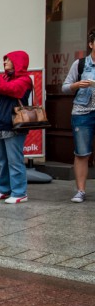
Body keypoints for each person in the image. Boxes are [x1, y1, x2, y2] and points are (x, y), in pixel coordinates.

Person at [0, 50, 32, 204]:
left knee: (15, 161)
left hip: (14, 125)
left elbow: (8, 89)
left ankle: (20, 192)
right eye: (5, 60)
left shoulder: (24, 80)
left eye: (8, 60)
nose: (5, 62)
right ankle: (4, 190)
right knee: (2, 160)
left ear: (18, 62)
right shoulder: (3, 77)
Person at [61, 28, 95, 203]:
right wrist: (77, 85)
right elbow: (65, 87)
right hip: (82, 112)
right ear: (91, 44)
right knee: (82, 153)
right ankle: (80, 191)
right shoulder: (80, 64)